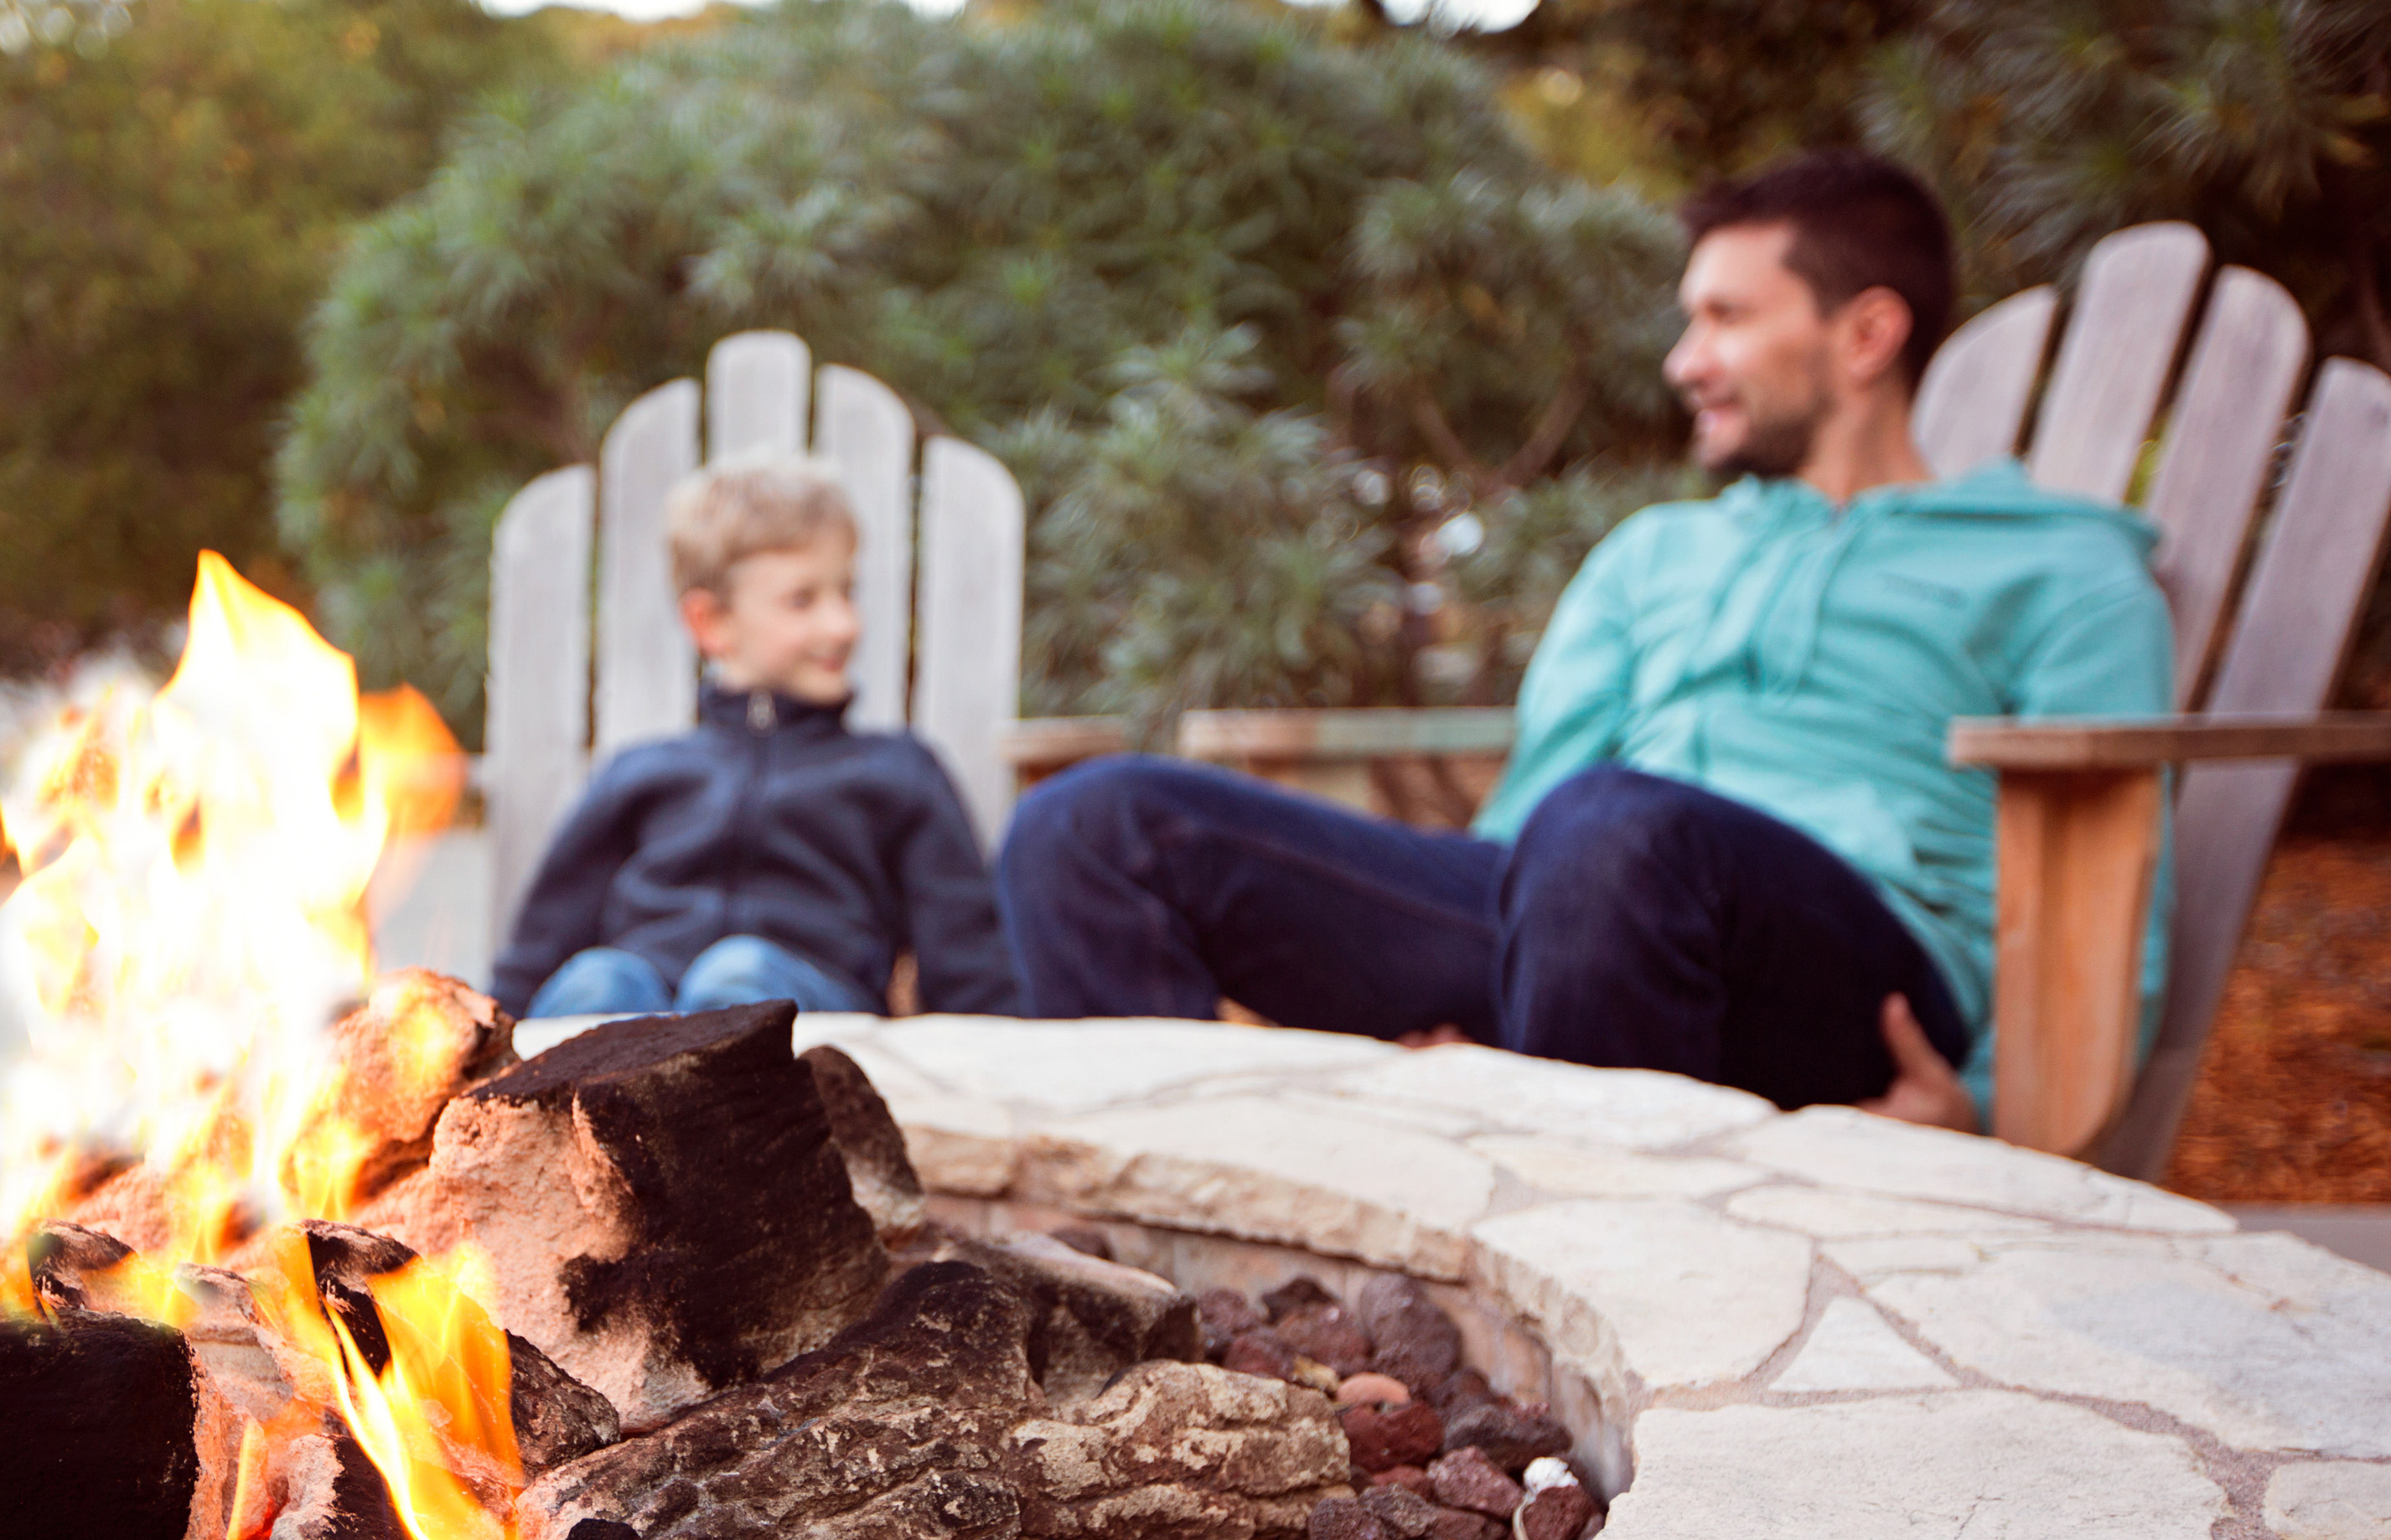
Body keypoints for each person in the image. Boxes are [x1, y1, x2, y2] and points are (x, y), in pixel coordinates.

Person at [997, 151, 2173, 1129]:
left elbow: (2121, 891)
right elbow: (1534, 815)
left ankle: (1586, 1269)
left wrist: (1982, 1106)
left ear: (1865, 335)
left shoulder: (2060, 568)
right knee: (1090, 827)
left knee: (1615, 833)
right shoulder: (1653, 555)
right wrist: (1479, 967)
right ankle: (1196, 1286)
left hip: (1856, 981)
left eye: (1724, 318)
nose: (1683, 362)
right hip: (1583, 904)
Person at [493, 456, 1022, 1020]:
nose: (843, 624)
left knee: (738, 975)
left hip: (811, 1024)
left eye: (847, 591)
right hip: (639, 1027)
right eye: (803, 600)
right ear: (711, 623)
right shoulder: (640, 773)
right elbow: (538, 953)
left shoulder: (899, 772)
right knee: (598, 981)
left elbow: (971, 971)